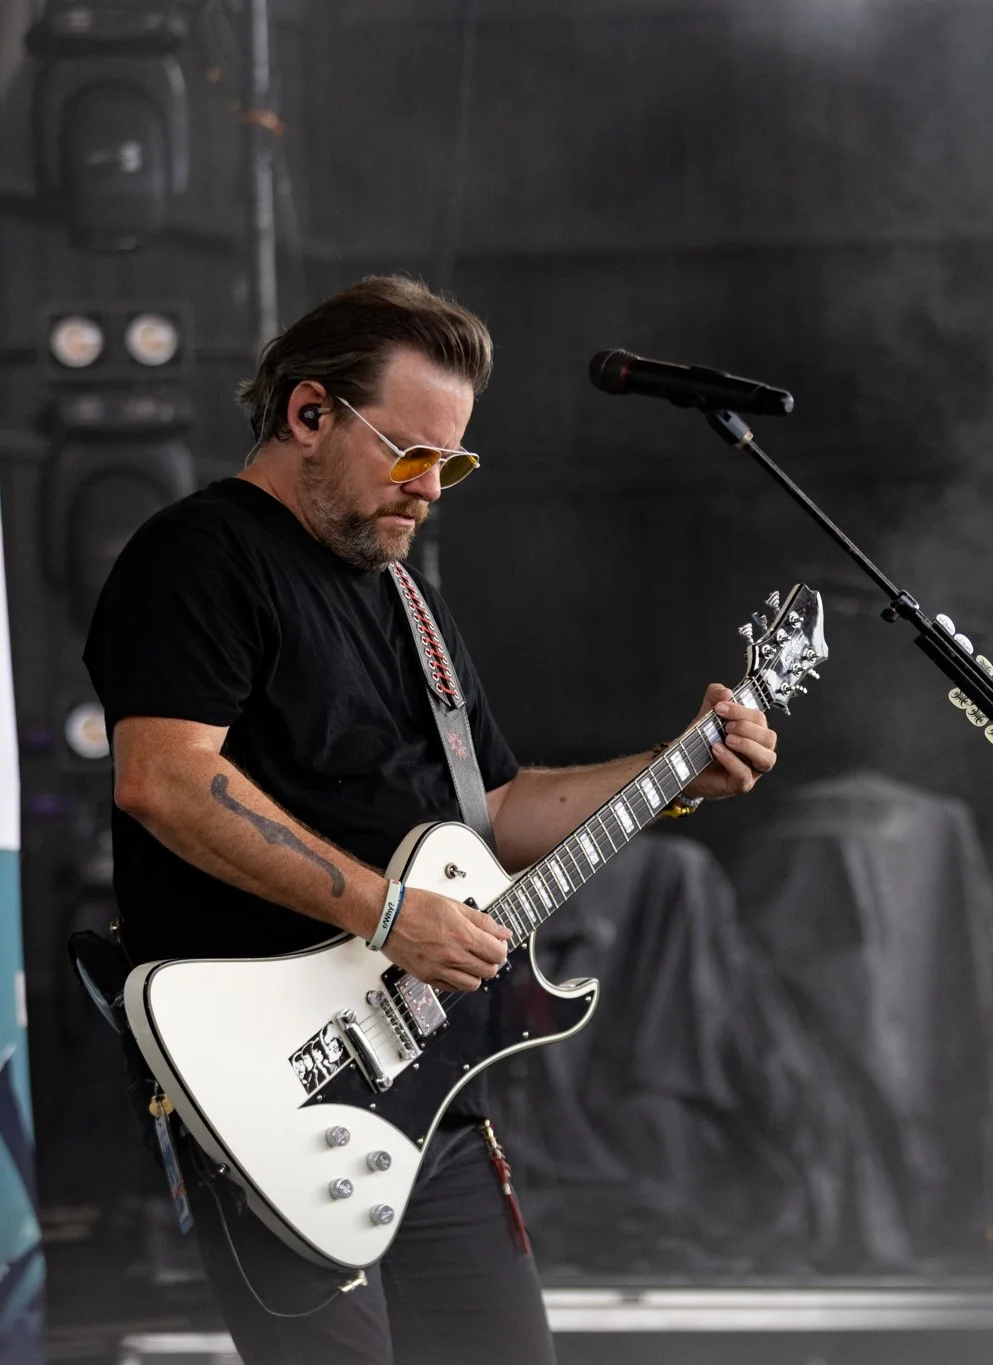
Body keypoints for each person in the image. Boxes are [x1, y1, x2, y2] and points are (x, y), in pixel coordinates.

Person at [82, 275, 780, 1364]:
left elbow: (491, 809)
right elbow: (164, 780)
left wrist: (676, 772)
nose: (430, 489)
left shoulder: (407, 598)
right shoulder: (201, 555)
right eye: (410, 454)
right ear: (309, 414)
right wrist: (387, 912)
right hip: (268, 1084)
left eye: (452, 464)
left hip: (424, 1091)